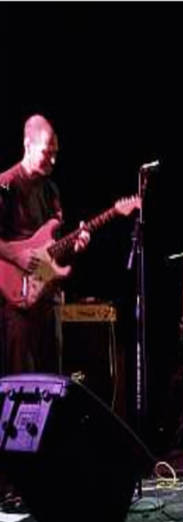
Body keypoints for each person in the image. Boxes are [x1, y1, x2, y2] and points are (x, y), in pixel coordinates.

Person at [0, 114, 90, 376]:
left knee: (51, 382)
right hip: (16, 303)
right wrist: (15, 256)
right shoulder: (7, 184)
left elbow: (53, 251)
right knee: (22, 383)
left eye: (55, 153)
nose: (53, 160)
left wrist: (74, 247)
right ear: (27, 145)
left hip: (48, 300)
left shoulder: (52, 191)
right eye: (46, 153)